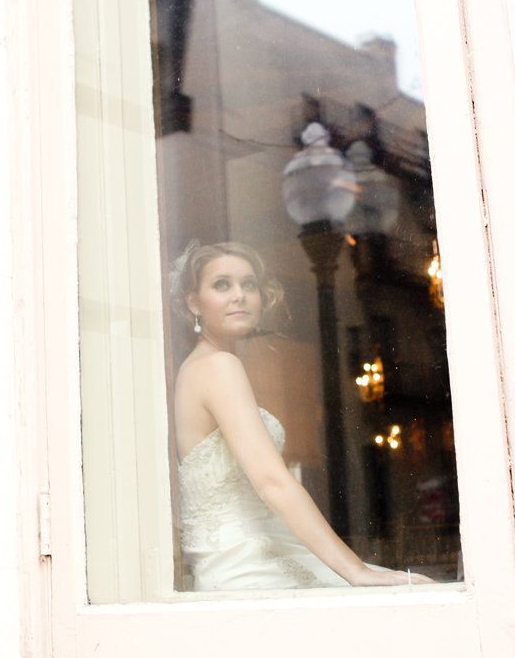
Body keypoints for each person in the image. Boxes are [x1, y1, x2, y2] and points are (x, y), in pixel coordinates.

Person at [171, 240, 434, 591]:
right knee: (413, 593)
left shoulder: (200, 367)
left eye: (248, 284)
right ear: (193, 302)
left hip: (251, 559)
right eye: (222, 285)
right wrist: (357, 572)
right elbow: (272, 482)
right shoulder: (218, 366)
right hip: (248, 567)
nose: (239, 296)